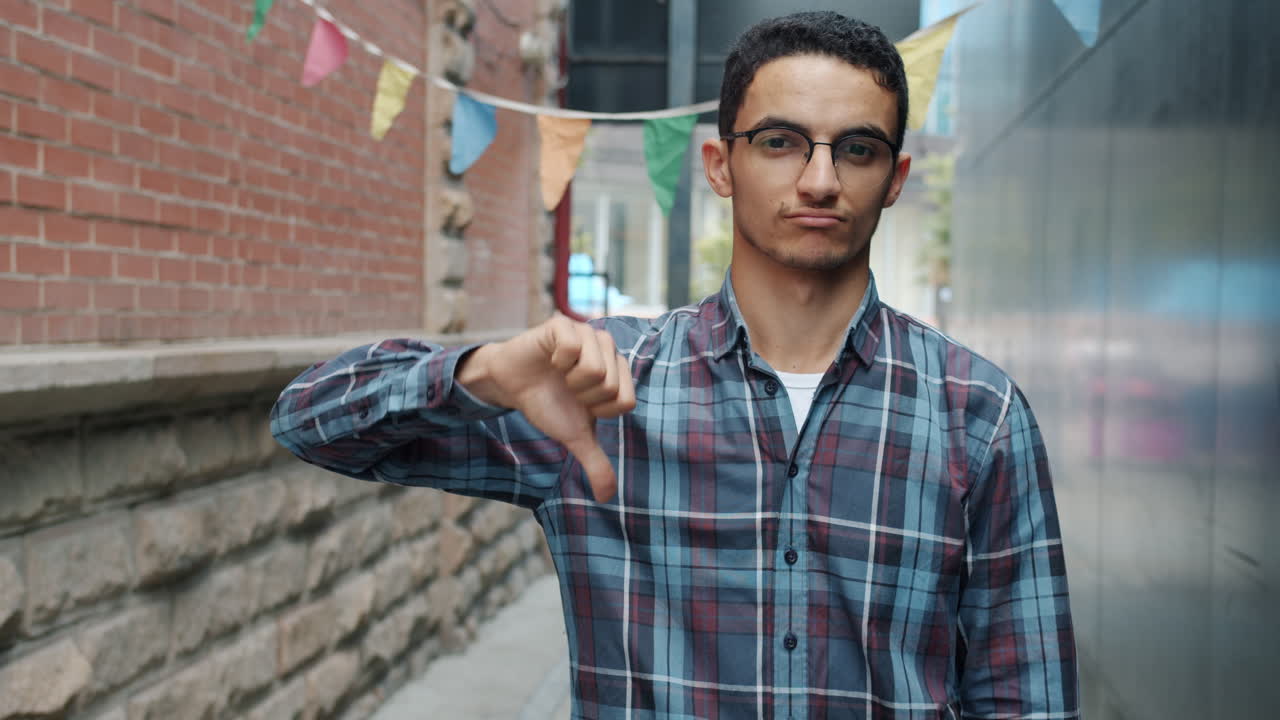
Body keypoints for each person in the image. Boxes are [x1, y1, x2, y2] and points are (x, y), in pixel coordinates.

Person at [271, 11, 1078, 719]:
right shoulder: (597, 386)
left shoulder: (978, 412)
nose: (820, 179)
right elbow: (309, 422)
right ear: (719, 164)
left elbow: (1025, 696)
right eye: (780, 142)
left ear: (894, 179)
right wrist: (481, 372)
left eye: (857, 149)